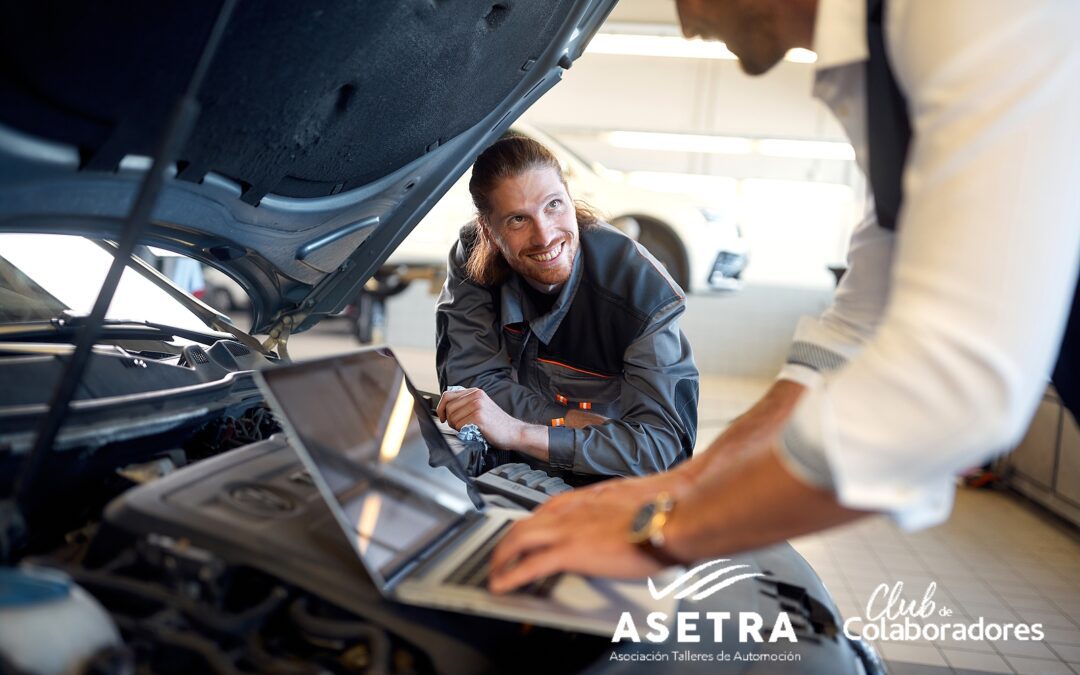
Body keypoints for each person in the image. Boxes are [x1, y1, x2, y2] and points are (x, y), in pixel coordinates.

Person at [488, 0, 1080, 592]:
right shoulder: (885, 57)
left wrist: (661, 531)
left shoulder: (971, 16)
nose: (688, 23)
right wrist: (674, 491)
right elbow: (851, 329)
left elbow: (955, 389)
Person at [434, 135, 700, 481]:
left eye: (553, 205)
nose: (544, 236)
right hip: (513, 468)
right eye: (518, 219)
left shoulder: (640, 291)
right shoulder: (474, 259)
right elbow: (470, 391)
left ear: (570, 199)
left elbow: (662, 449)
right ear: (489, 230)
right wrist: (565, 420)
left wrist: (520, 430)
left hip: (606, 480)